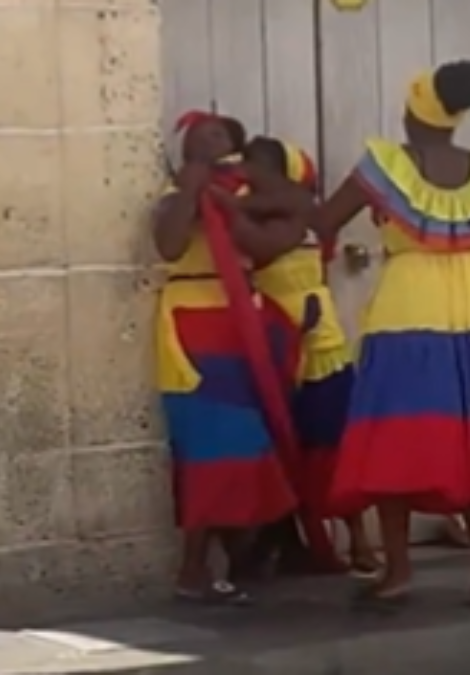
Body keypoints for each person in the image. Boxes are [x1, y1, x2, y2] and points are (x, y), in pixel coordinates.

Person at [316, 60, 470, 610]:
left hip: (408, 307)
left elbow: (326, 220)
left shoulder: (385, 164)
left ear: (412, 115)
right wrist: (460, 245)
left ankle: (398, 571)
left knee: (395, 435)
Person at [153, 113, 305, 604]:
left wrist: (229, 199)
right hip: (192, 326)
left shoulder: (246, 195)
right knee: (211, 447)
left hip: (241, 323)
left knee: (247, 445)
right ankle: (194, 568)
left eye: (218, 132)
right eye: (197, 133)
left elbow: (293, 211)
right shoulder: (171, 195)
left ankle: (237, 559)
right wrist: (192, 190)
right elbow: (170, 245)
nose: (206, 136)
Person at [230, 136, 381, 578]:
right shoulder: (252, 216)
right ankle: (296, 541)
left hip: (322, 342)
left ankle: (358, 539)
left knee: (334, 444)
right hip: (274, 342)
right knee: (284, 447)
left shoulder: (302, 211)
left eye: (256, 168)